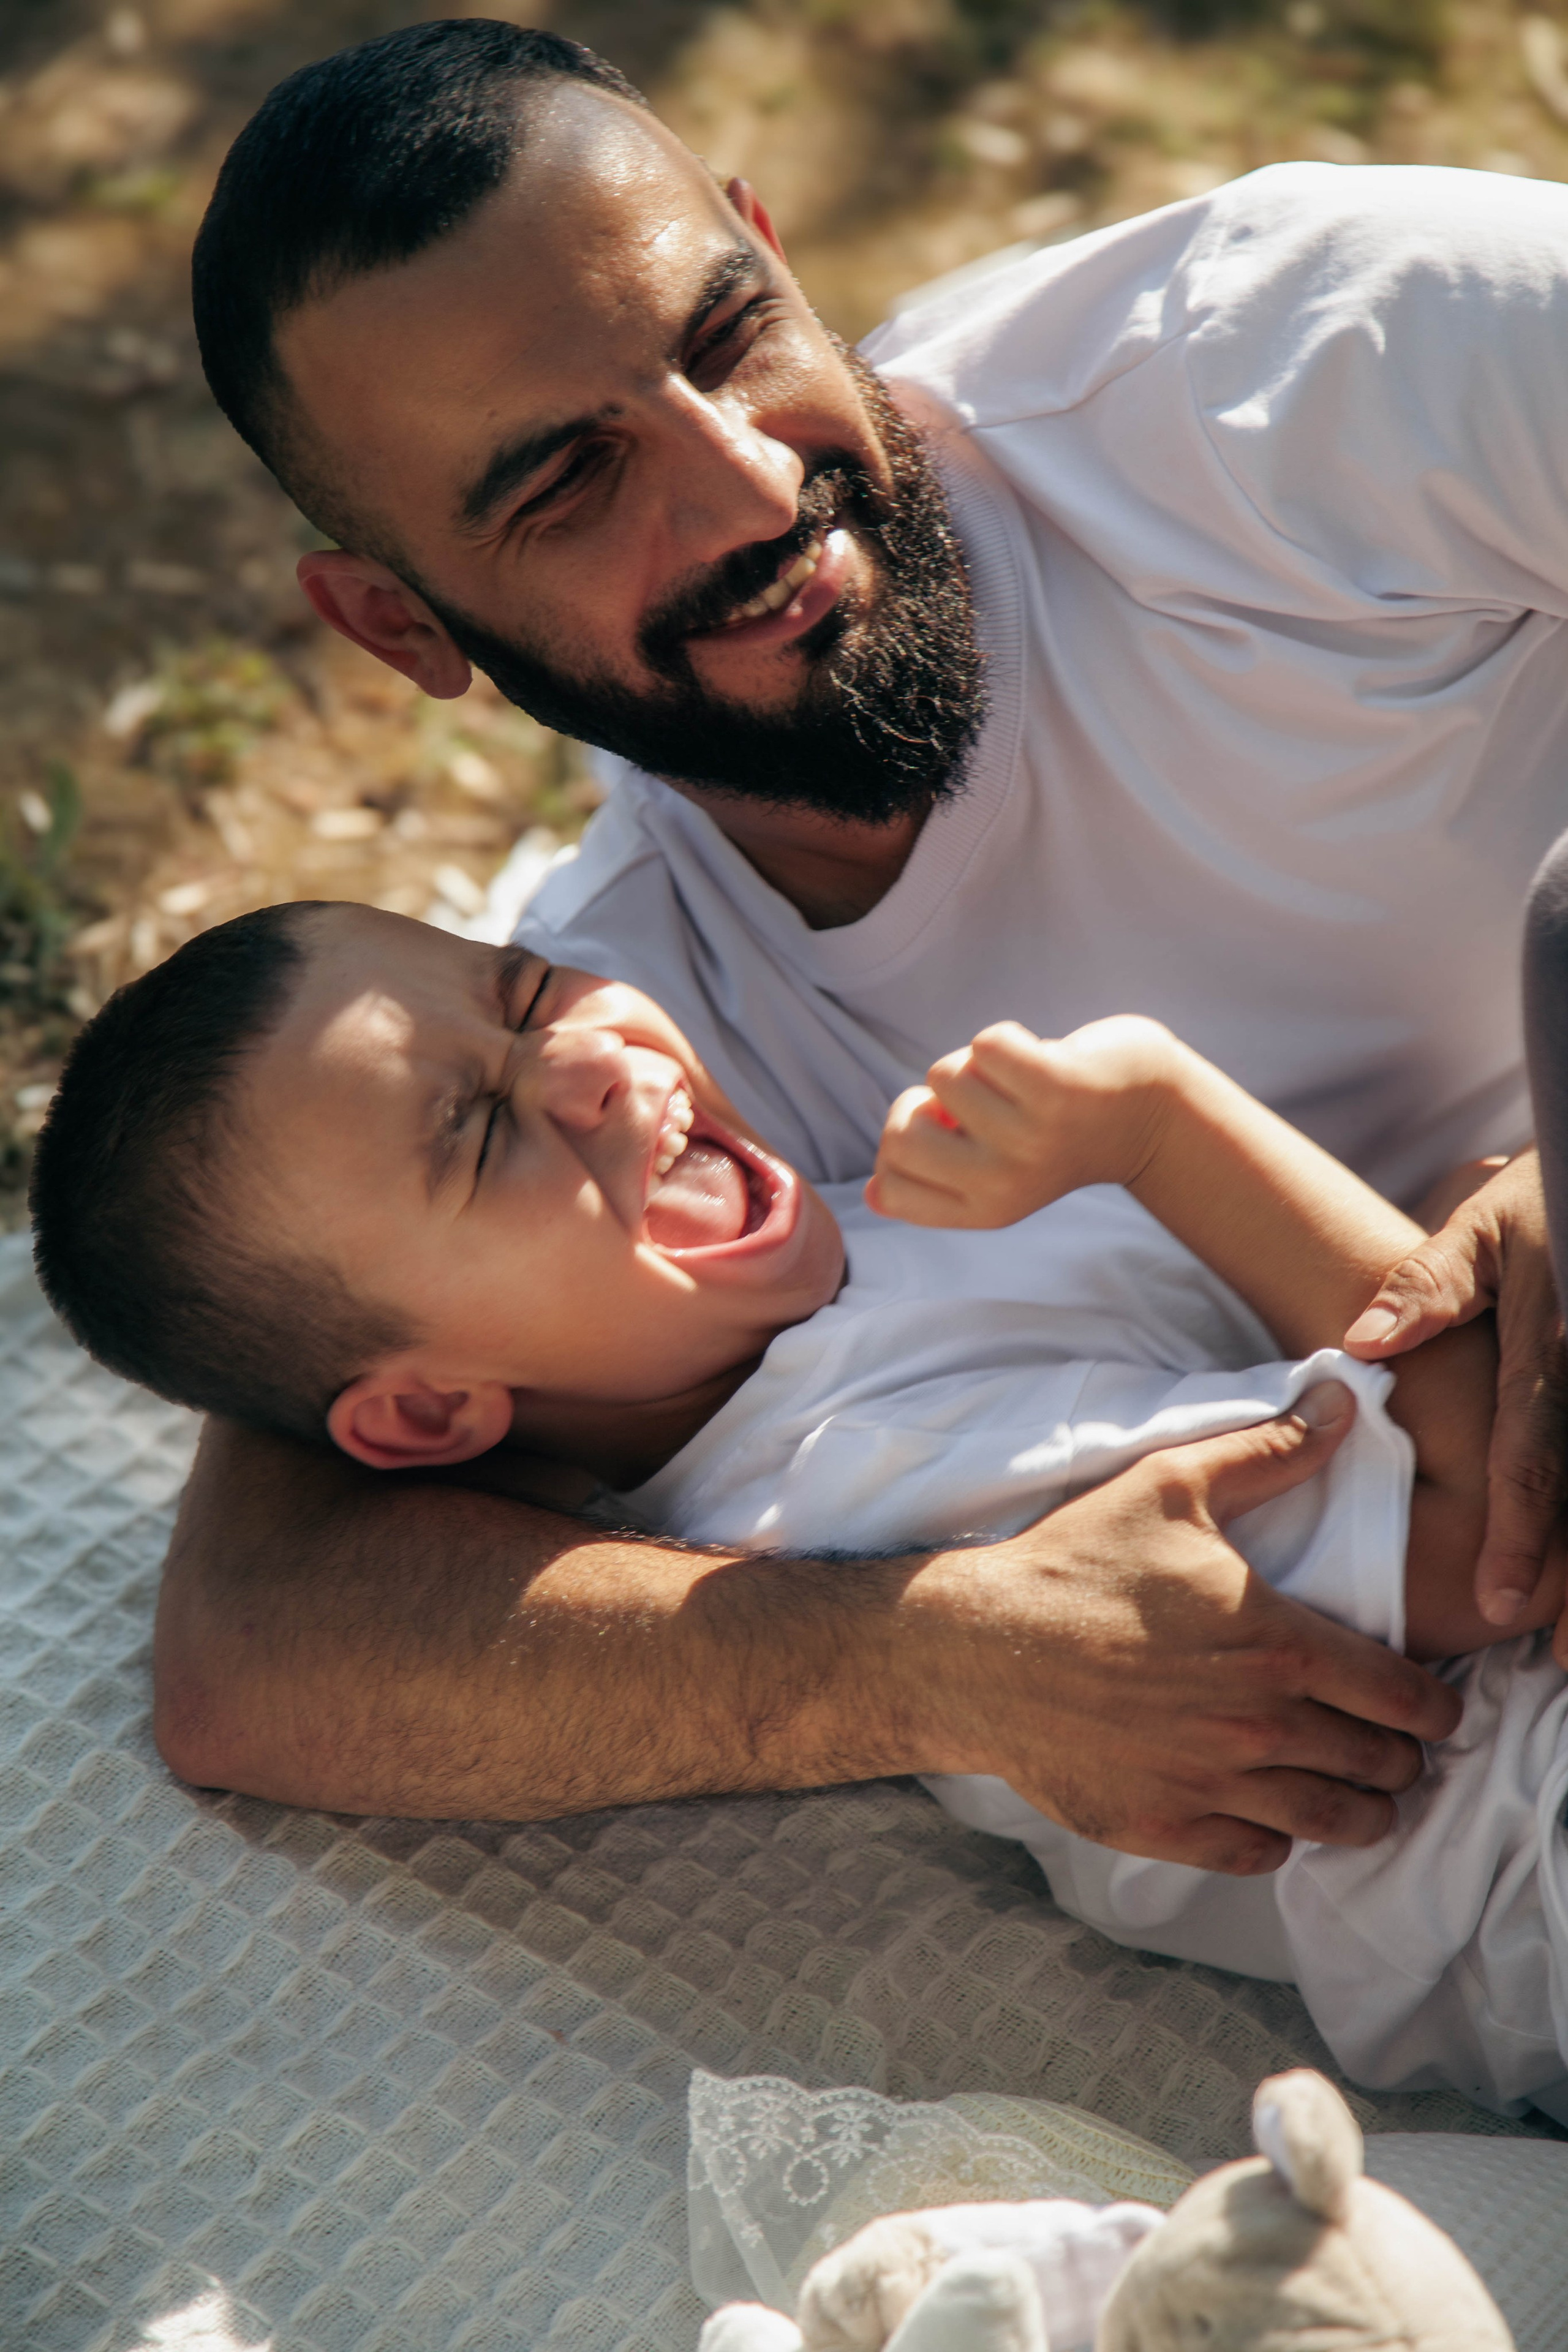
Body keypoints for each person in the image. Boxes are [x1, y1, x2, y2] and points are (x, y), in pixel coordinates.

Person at [161, 15, 1568, 1856]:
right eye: (563, 483)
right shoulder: (636, 1054)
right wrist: (931, 1661)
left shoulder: (1298, 371)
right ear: (401, 629)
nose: (750, 486)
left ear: (772, 244)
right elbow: (255, 1647)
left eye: (724, 335)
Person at [29, 899, 1568, 2112]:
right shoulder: (838, 1491)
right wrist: (1166, 1121)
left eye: (519, 992)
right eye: (482, 1132)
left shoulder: (871, 1228)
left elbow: (1349, 1336)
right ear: (430, 1412)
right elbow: (1486, 1528)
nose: (587, 1062)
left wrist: (1453, 1205)